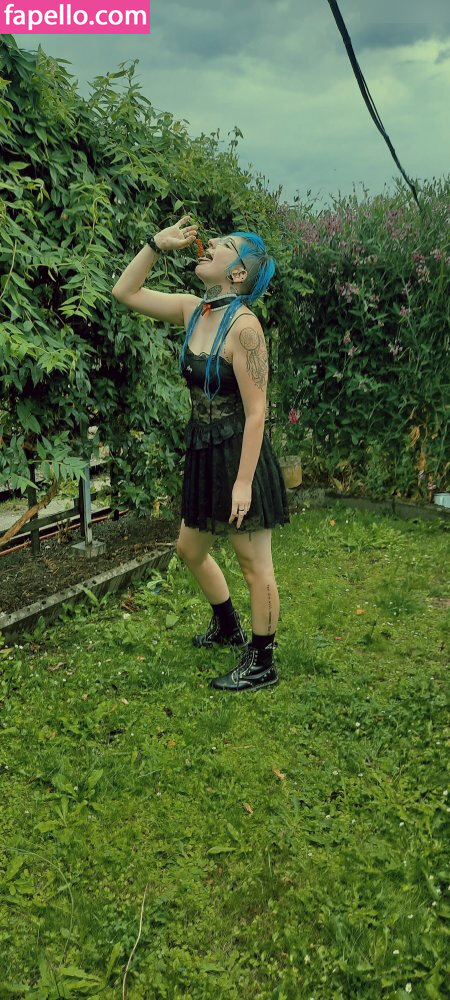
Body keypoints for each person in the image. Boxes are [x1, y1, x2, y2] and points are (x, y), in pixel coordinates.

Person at [112, 214, 290, 692]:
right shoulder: (195, 310)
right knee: (189, 549)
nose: (209, 243)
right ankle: (228, 626)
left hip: (240, 455)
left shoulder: (245, 328)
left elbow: (257, 413)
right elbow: (125, 292)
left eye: (224, 244)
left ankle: (263, 661)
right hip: (204, 450)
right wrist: (156, 245)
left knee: (254, 563)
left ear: (238, 272)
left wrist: (243, 483)